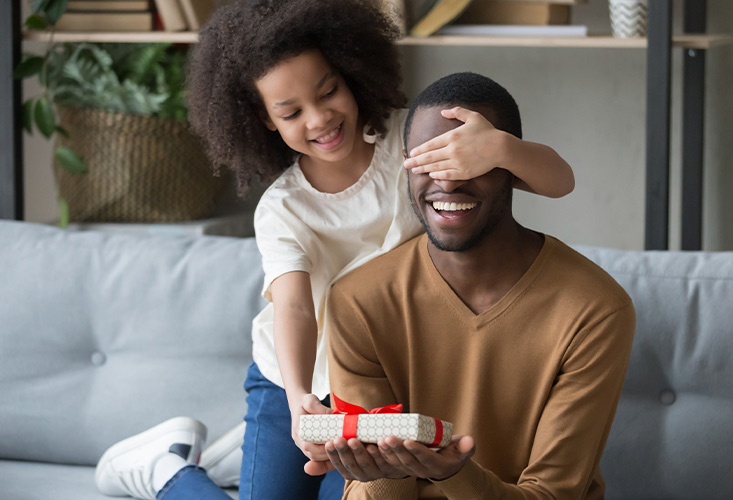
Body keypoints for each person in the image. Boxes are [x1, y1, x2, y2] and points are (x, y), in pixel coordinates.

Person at [93, 0, 575, 498]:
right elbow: (296, 307)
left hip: (373, 386)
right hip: (291, 382)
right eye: (291, 112)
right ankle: (166, 470)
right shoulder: (283, 208)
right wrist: (301, 397)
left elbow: (560, 182)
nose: (320, 118)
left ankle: (243, 460)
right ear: (264, 120)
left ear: (349, 74)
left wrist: (499, 148)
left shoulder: (411, 142)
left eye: (329, 92)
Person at [318, 72, 636, 499]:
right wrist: (382, 473)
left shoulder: (594, 310)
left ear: (512, 169)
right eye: (430, 162)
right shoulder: (357, 301)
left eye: (469, 162)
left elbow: (550, 495)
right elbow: (375, 487)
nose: (447, 182)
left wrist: (453, 475)